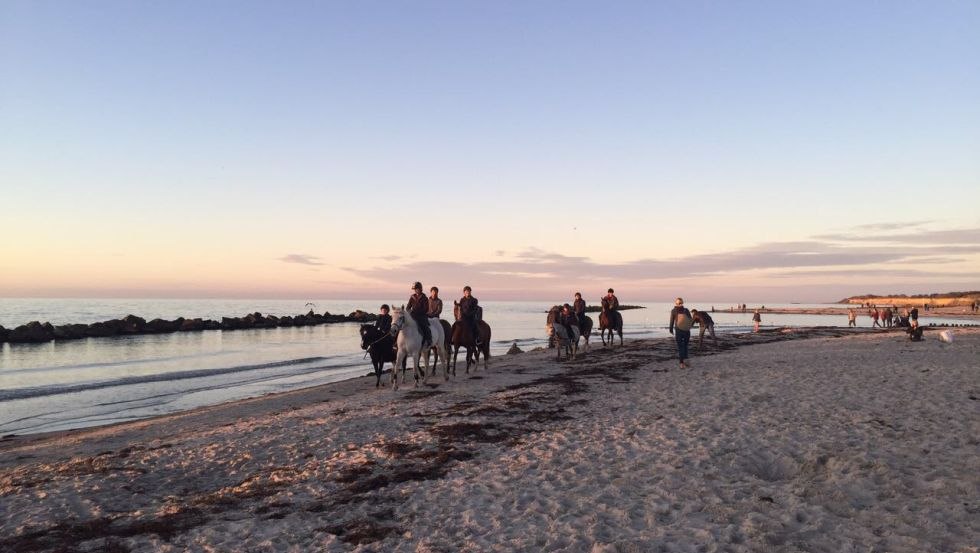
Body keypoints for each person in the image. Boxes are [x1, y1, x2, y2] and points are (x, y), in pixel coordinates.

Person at [668, 298, 692, 368]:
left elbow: (671, 321)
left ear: (676, 303)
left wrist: (671, 330)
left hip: (678, 331)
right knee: (685, 345)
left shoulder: (673, 311)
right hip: (686, 331)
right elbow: (690, 319)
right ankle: (686, 361)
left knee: (680, 346)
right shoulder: (686, 310)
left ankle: (681, 363)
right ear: (682, 303)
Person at [407, 281, 432, 346]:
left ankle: (429, 339)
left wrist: (417, 312)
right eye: (415, 289)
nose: (415, 290)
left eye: (416, 289)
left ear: (420, 289)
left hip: (421, 316)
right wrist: (410, 311)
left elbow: (426, 309)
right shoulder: (412, 297)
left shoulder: (424, 298)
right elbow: (408, 307)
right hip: (413, 316)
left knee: (424, 326)